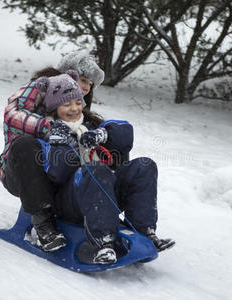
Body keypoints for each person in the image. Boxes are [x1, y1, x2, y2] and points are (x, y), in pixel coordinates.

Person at [32, 70, 175, 264]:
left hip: (102, 189)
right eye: (66, 104)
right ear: (53, 108)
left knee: (144, 166)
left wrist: (103, 135)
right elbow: (56, 174)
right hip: (68, 200)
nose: (74, 109)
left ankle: (145, 232)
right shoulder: (46, 134)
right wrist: (62, 142)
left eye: (77, 102)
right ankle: (103, 242)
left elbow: (126, 133)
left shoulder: (89, 125)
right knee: (95, 169)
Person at [0, 53, 105, 252]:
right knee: (26, 144)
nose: (88, 87)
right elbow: (12, 113)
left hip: (56, 176)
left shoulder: (76, 108)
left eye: (90, 83)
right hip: (19, 170)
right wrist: (51, 127)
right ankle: (44, 226)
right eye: (83, 80)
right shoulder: (41, 86)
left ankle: (103, 221)